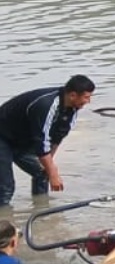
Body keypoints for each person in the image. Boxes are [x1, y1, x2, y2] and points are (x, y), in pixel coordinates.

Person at [0, 75, 94, 207]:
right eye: (86, 97)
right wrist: (53, 172)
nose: (88, 101)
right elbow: (41, 141)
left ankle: (41, 213)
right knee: (6, 187)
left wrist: (49, 168)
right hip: (3, 137)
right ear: (73, 95)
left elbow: (57, 137)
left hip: (21, 140)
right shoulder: (46, 104)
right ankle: (4, 222)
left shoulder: (72, 108)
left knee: (42, 173)